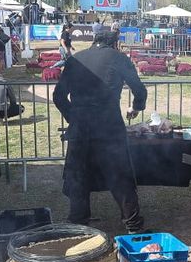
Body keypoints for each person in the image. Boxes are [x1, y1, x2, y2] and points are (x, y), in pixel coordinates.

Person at [52, 28, 148, 232]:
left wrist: (74, 117)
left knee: (78, 175)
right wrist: (137, 106)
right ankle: (133, 225)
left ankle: (78, 224)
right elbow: (139, 90)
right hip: (109, 127)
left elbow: (58, 96)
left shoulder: (75, 59)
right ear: (114, 43)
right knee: (120, 176)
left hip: (81, 128)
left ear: (94, 40)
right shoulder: (119, 58)